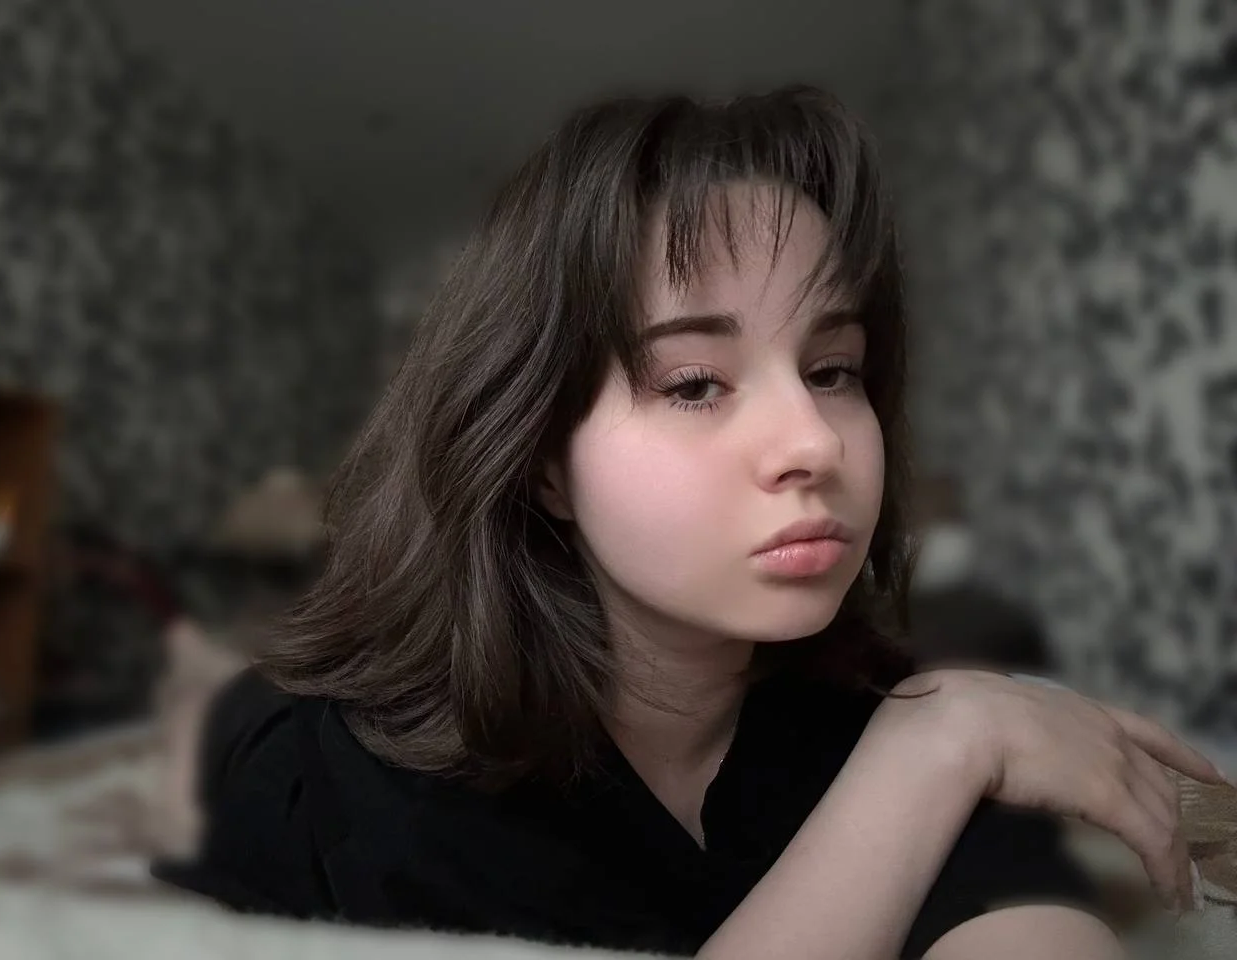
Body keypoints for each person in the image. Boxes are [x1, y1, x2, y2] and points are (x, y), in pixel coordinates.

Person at [152, 85, 1227, 959]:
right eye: (695, 383)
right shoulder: (340, 783)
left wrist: (937, 745)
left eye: (833, 369)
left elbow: (1020, 926)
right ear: (539, 461)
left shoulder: (872, 714)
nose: (813, 443)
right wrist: (933, 754)